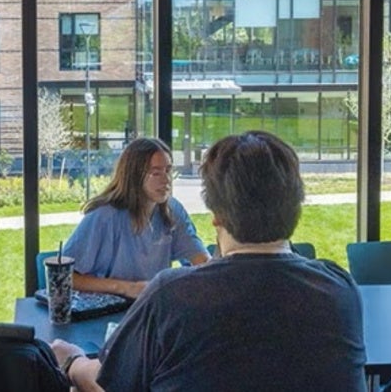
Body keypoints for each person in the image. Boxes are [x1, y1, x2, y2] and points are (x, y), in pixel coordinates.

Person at [52, 131, 366, 392]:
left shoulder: (170, 295)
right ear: (295, 207)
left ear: (215, 215)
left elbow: (110, 384)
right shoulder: (341, 290)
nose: (165, 180)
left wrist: (71, 361)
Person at [60, 137, 209, 299]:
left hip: (151, 307)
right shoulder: (105, 216)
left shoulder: (172, 209)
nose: (166, 180)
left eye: (168, 170)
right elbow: (64, 277)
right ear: (134, 176)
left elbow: (201, 261)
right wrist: (126, 288)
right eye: (155, 173)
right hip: (108, 310)